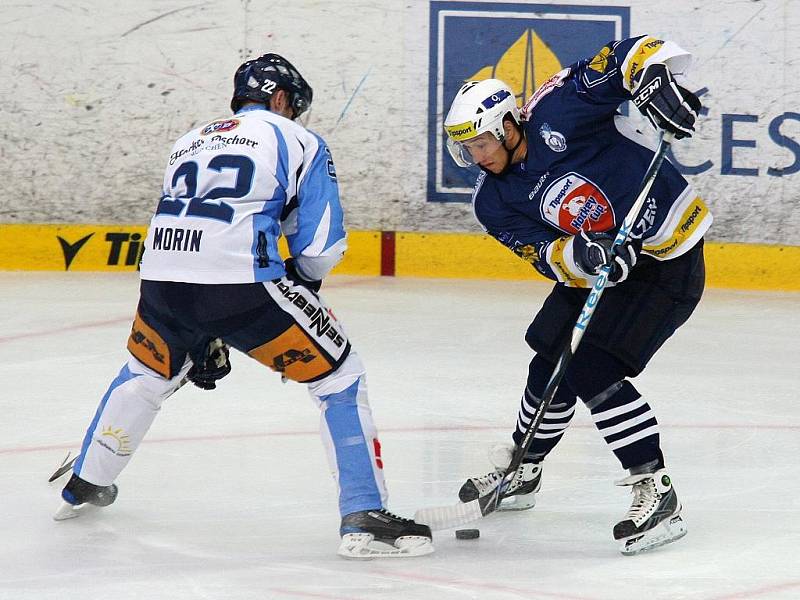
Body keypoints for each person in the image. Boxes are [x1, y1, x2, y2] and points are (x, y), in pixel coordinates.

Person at [54, 53, 433, 559]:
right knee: (339, 375)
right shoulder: (299, 140)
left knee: (146, 372)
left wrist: (204, 327)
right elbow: (321, 247)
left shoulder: (188, 139)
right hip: (240, 285)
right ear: (280, 98)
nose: (294, 115)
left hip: (162, 280)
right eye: (293, 106)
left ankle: (85, 482)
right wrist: (300, 286)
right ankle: (364, 514)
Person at [442, 35, 711, 555]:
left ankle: (655, 490)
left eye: (480, 144)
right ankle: (524, 468)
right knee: (549, 355)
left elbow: (629, 55)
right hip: (601, 270)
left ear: (507, 126)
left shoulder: (559, 109)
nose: (475, 157)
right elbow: (545, 253)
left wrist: (655, 80)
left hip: (667, 262)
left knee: (591, 366)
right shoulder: (493, 200)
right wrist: (585, 258)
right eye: (466, 148)